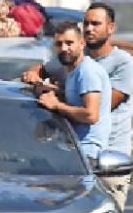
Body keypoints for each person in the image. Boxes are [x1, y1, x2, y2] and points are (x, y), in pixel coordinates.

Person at [23, 3, 133, 208]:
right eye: (86, 23)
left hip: (108, 159)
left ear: (110, 28)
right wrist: (35, 78)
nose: (89, 28)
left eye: (96, 24)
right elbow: (42, 70)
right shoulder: (70, 60)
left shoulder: (116, 64)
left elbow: (97, 109)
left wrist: (55, 101)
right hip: (77, 155)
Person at [36, 21, 112, 164]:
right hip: (72, 151)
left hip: (87, 155)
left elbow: (91, 115)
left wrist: (57, 105)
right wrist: (55, 92)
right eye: (59, 44)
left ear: (82, 43)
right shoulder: (73, 72)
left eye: (69, 43)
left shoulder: (87, 71)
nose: (64, 48)